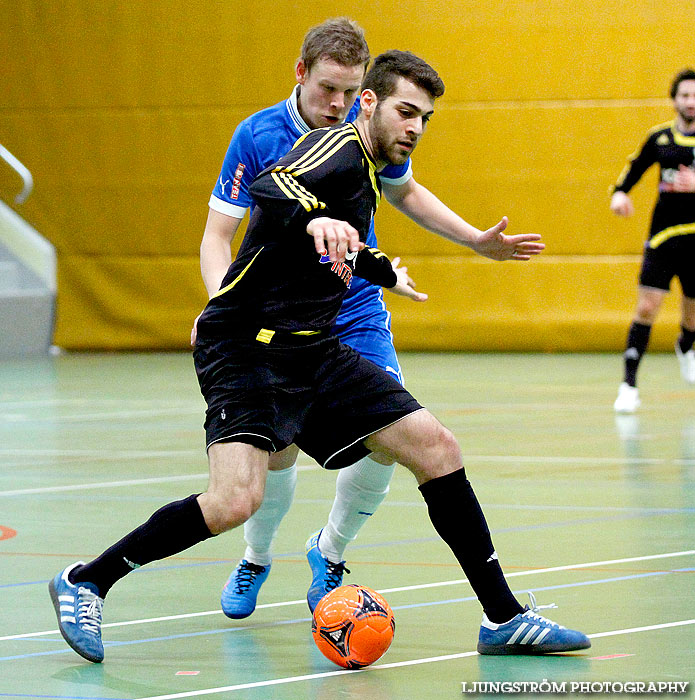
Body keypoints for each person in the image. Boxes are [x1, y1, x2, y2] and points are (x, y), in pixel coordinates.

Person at [49, 49, 590, 664]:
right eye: (405, 112)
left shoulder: (370, 170)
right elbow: (272, 185)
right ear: (369, 104)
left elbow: (342, 239)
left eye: (426, 118)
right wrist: (312, 221)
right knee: (234, 501)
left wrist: (383, 269)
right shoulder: (333, 149)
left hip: (313, 349)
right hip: (245, 347)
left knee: (436, 447)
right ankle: (86, 581)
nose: (414, 128)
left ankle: (504, 618)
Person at [201, 17, 543, 620]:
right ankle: (256, 557)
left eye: (349, 91)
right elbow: (218, 235)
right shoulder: (258, 137)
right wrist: (222, 308)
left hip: (353, 310)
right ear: (300, 75)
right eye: (327, 90)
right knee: (273, 458)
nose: (337, 104)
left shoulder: (370, 131)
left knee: (397, 444)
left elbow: (406, 191)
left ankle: (328, 552)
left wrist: (473, 241)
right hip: (275, 319)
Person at [611, 68, 695, 413]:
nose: (691, 102)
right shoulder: (659, 138)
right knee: (647, 307)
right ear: (675, 100)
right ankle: (628, 385)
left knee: (692, 317)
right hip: (663, 239)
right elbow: (634, 168)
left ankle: (686, 345)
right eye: (685, 95)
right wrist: (619, 193)